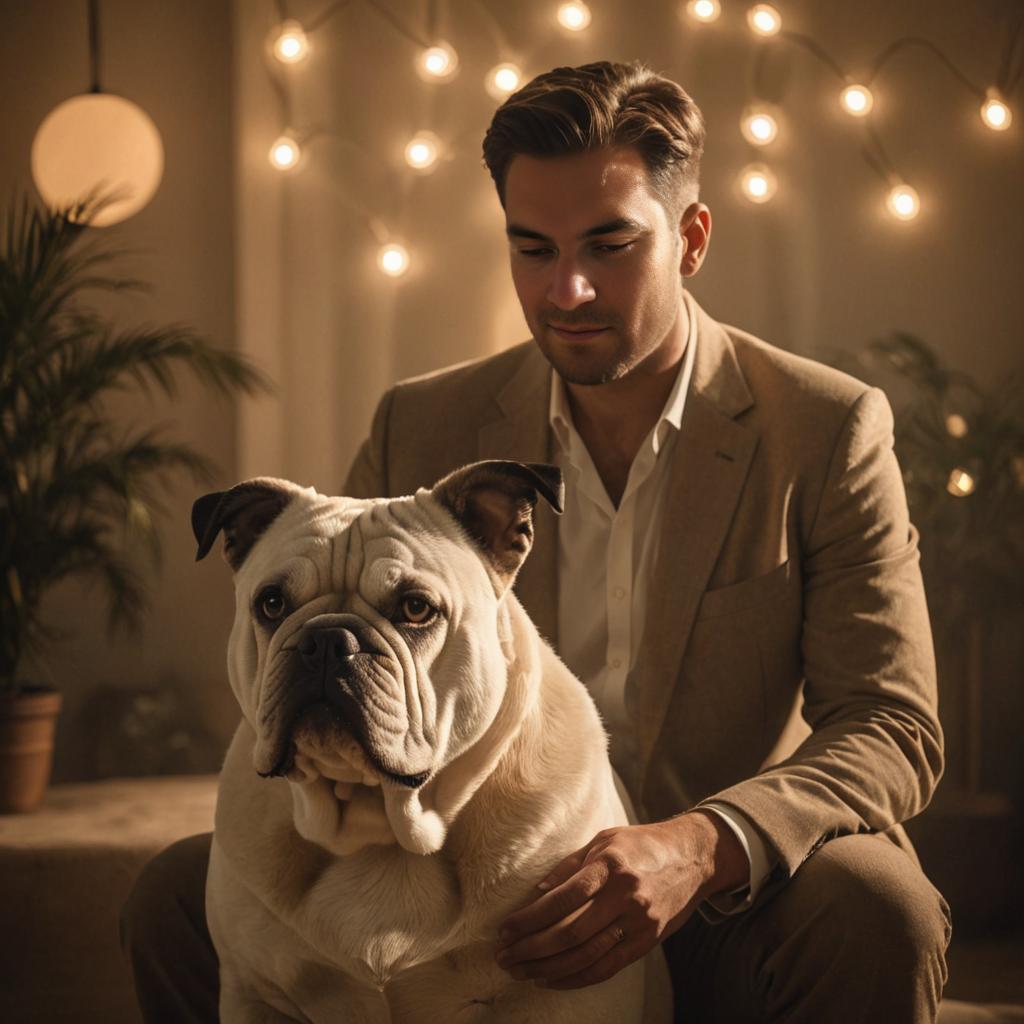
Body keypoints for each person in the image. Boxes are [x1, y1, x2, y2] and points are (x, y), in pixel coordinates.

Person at [121, 60, 950, 1022]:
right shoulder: (421, 423)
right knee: (177, 897)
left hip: (729, 890)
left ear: (690, 237)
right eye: (532, 249)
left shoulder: (825, 427)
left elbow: (895, 727)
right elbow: (350, 656)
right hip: (490, 889)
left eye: (611, 244)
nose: (569, 289)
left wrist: (697, 844)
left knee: (877, 908)